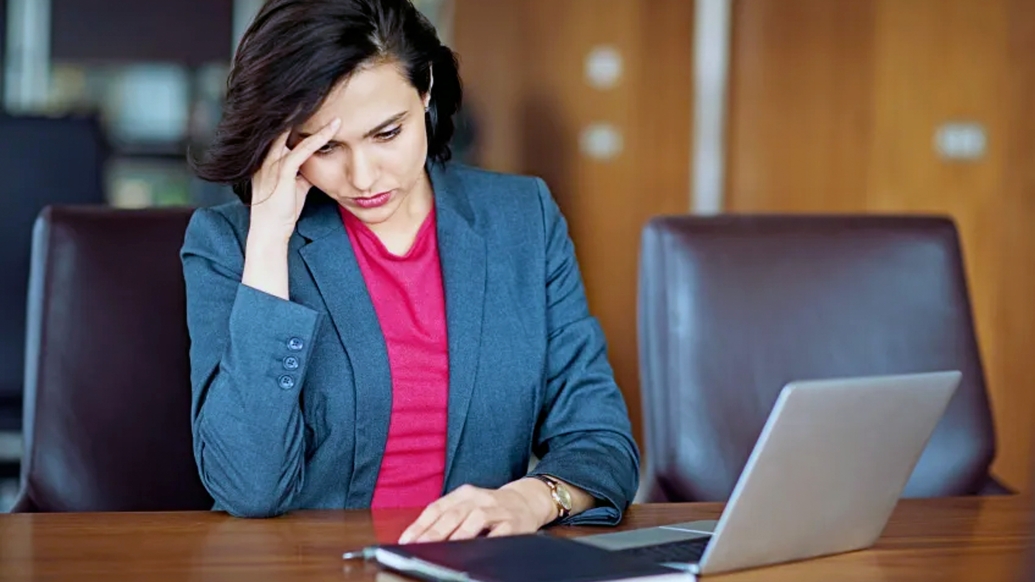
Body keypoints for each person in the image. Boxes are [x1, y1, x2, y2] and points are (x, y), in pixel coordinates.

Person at [181, 0, 639, 543]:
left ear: (424, 92)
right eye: (325, 147)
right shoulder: (230, 246)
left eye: (387, 133)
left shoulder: (522, 219)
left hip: (479, 566)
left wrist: (531, 498)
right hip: (308, 565)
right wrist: (269, 244)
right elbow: (248, 488)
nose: (363, 176)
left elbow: (600, 437)